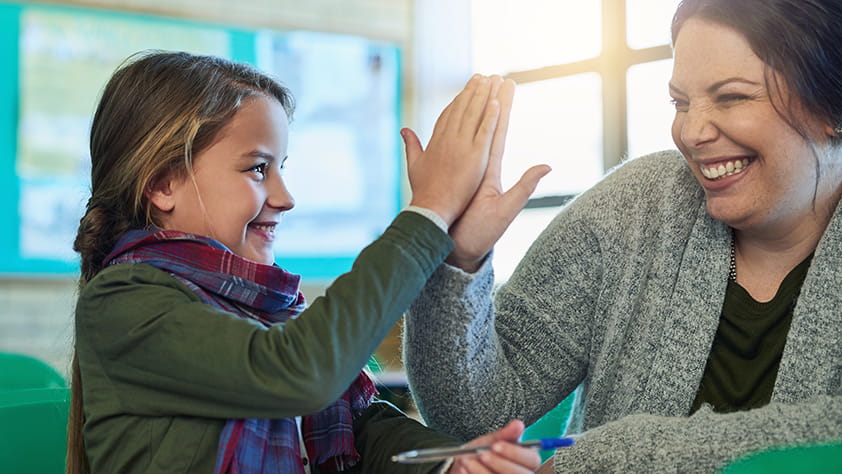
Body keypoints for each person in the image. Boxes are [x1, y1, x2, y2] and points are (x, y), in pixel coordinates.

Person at [402, 0, 842, 472]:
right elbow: (474, 420)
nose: (690, 131)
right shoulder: (630, 211)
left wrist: (608, 456)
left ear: (830, 107)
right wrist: (458, 262)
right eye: (680, 102)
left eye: (732, 97)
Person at [67, 50, 548, 474]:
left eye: (282, 168)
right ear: (163, 184)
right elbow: (301, 371)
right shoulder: (122, 301)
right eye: (257, 168)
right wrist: (431, 210)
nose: (285, 196)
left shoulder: (266, 309)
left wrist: (453, 463)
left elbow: (363, 432)